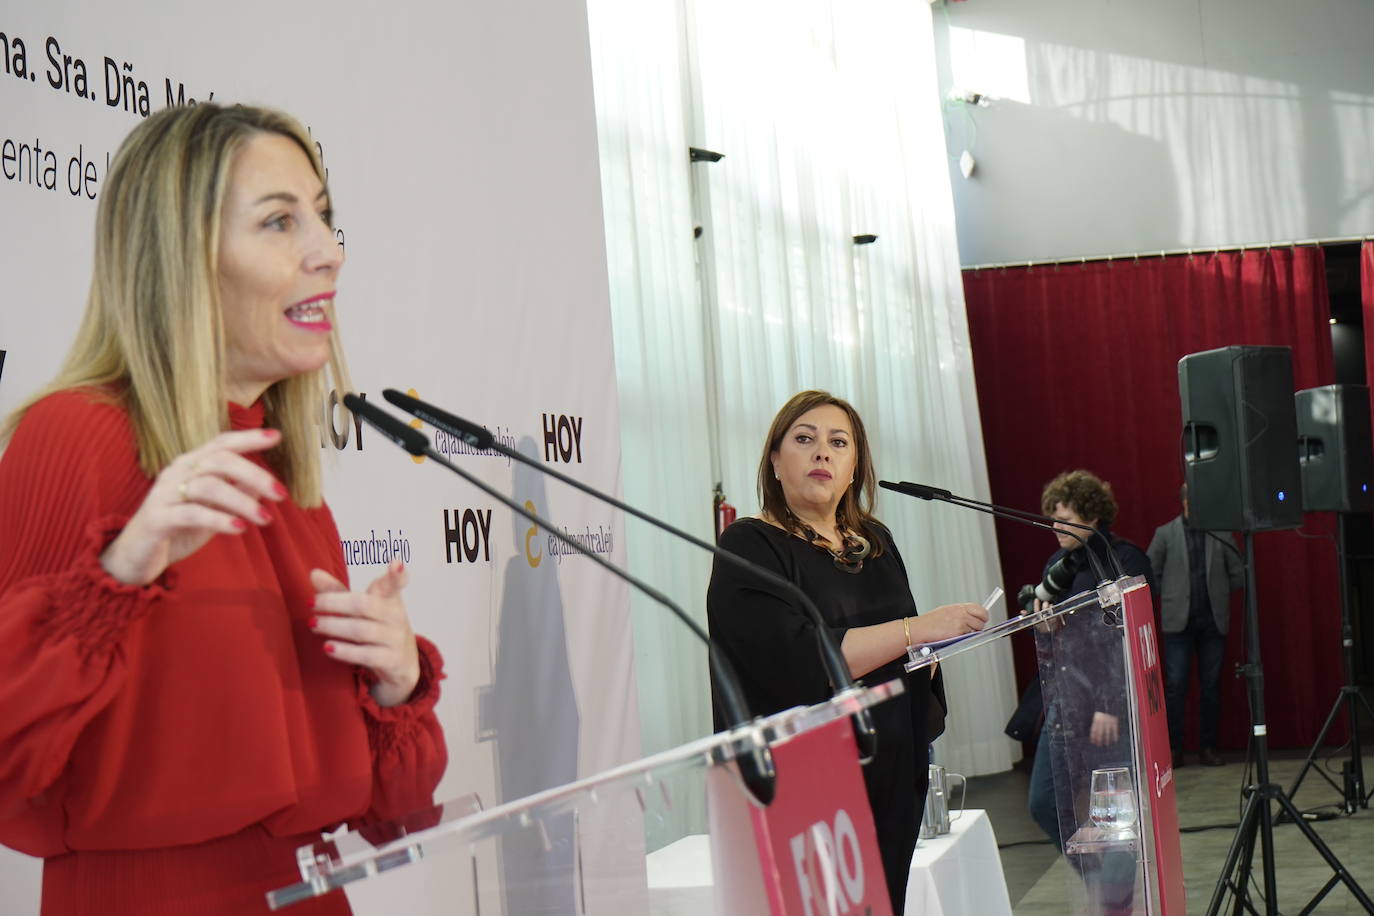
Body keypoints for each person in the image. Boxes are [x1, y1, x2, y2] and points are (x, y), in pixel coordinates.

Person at [0, 103, 448, 915]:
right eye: (280, 222)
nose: (330, 252)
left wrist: (397, 680)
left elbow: (394, 811)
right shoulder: (77, 435)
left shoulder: (283, 476)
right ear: (181, 257)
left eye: (325, 216)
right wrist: (119, 574)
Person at [706, 390, 988, 913]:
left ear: (856, 465)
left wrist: (929, 654)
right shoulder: (750, 545)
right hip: (804, 784)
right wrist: (917, 630)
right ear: (774, 458)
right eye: (804, 439)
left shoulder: (874, 542)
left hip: (893, 768)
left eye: (839, 442)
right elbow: (802, 660)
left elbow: (905, 646)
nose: (822, 453)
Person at [1024, 470, 1154, 916]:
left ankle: (1115, 904)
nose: (1055, 529)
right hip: (1063, 703)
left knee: (1113, 817)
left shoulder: (1125, 560)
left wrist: (1109, 704)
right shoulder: (1056, 570)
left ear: (1093, 516)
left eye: (1063, 520)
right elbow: (1056, 638)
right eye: (1052, 521)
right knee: (1044, 801)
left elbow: (1127, 640)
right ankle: (1103, 886)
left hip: (1107, 708)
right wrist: (1046, 627)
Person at [1147, 484, 1244, 768]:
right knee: (1176, 686)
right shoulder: (1165, 534)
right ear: (1185, 502)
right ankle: (1174, 749)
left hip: (1212, 621)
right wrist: (1172, 596)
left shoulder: (1221, 532)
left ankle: (1208, 747)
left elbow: (1238, 572)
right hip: (1178, 622)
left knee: (1211, 687)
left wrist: (1221, 593)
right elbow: (1150, 572)